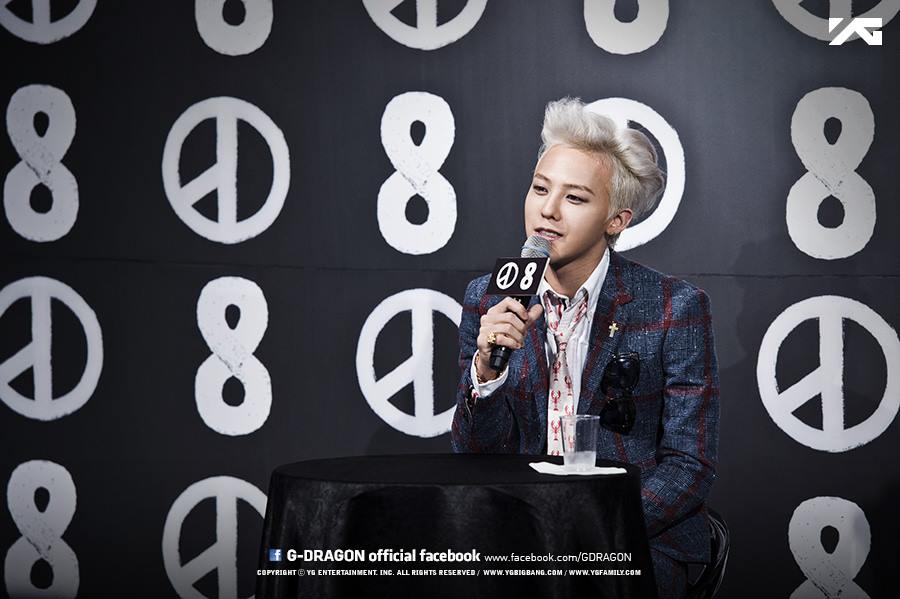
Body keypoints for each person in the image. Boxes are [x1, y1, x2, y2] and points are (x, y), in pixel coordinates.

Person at [450, 97, 720, 599]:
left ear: (616, 220)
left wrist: (593, 533)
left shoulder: (674, 307)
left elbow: (689, 465)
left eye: (574, 198)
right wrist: (485, 374)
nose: (547, 210)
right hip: (519, 540)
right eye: (540, 189)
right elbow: (475, 456)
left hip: (635, 537)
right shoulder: (488, 299)